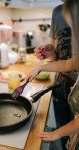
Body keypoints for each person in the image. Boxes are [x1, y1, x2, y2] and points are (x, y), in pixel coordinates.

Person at [27, 0, 79, 149]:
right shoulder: (58, 12)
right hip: (61, 84)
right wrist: (47, 55)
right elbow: (67, 63)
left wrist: (57, 133)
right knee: (66, 137)